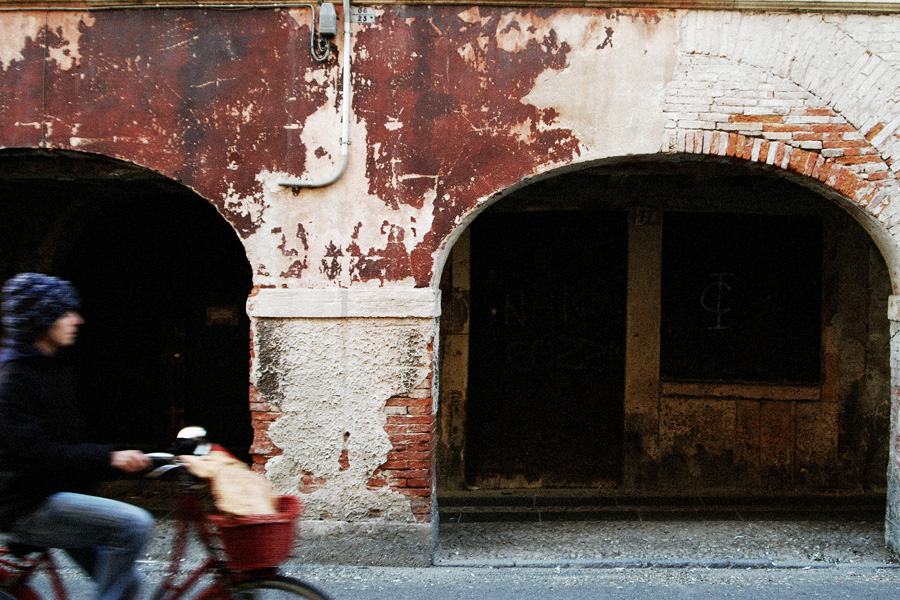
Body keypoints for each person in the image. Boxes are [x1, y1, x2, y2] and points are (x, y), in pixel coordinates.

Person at [0, 273, 154, 600]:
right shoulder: (13, 379)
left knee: (129, 585)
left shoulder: (52, 367)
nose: (78, 319)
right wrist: (109, 457)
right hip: (27, 504)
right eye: (66, 312)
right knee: (135, 524)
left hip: (54, 492)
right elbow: (36, 454)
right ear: (42, 317)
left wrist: (117, 458)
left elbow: (70, 438)